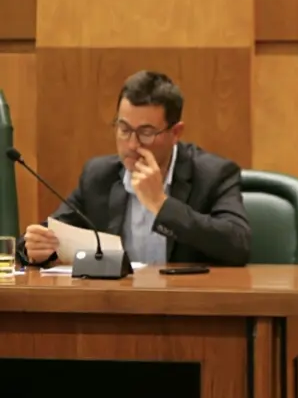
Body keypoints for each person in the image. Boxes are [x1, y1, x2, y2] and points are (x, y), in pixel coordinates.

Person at [17, 70, 251, 268]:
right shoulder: (99, 176)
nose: (131, 144)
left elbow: (238, 245)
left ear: (175, 133)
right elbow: (51, 233)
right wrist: (35, 249)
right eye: (124, 129)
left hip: (187, 303)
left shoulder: (213, 175)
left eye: (146, 133)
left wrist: (161, 204)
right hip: (118, 302)